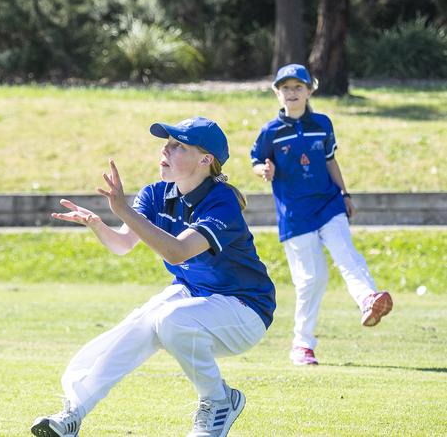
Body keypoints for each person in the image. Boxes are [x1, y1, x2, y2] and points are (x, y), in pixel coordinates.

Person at [31, 117, 276, 437]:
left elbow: (177, 252)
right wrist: (98, 224)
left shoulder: (222, 201)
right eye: (167, 143)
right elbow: (122, 244)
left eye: (179, 146)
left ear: (206, 160)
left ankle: (218, 402)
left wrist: (123, 210)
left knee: (171, 320)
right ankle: (73, 414)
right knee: (135, 328)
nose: (166, 149)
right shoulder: (155, 194)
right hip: (194, 295)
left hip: (246, 310)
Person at [250, 63, 393, 366]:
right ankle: (302, 345)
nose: (292, 93)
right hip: (295, 213)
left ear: (309, 90)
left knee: (346, 253)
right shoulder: (271, 132)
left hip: (328, 203)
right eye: (286, 88)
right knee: (312, 279)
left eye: (297, 87)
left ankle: (368, 298)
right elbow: (255, 162)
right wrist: (264, 170)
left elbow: (330, 161)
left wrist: (345, 193)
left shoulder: (323, 124)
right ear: (278, 92)